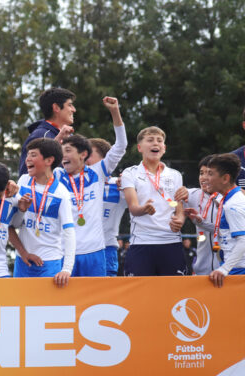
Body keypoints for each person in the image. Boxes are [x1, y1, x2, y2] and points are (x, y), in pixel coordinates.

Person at [54, 97, 127, 277]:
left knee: (96, 302)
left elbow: (121, 145)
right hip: (64, 252)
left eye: (68, 151)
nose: (63, 156)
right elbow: (43, 156)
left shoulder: (98, 172)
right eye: (61, 152)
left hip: (94, 251)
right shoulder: (56, 175)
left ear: (83, 155)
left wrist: (115, 111)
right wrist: (58, 139)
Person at [121, 126, 187, 276]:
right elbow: (133, 207)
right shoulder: (130, 173)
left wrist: (180, 220)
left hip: (171, 242)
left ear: (164, 148)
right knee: (139, 295)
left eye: (159, 140)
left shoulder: (175, 175)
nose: (155, 143)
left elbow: (179, 208)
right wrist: (144, 209)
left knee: (174, 295)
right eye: (150, 140)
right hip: (142, 243)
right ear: (139, 147)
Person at [12, 138, 75, 287]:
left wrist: (67, 268)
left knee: (45, 309)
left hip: (49, 263)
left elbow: (69, 232)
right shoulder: (23, 181)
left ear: (49, 161)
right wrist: (21, 210)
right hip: (23, 261)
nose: (27, 159)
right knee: (19, 306)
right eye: (28, 155)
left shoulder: (62, 193)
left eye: (33, 155)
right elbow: (14, 224)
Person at [86, 138, 127, 277]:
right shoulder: (73, 183)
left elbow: (143, 202)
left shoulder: (119, 185)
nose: (82, 157)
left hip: (106, 248)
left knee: (104, 296)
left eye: (88, 154)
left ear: (106, 159)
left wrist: (133, 186)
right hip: (77, 249)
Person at [207, 153, 245, 286]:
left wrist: (224, 269)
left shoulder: (233, 205)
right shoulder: (231, 198)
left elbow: (243, 241)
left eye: (210, 174)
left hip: (238, 271)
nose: (206, 178)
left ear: (225, 178)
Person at [19, 87, 76, 175]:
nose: (74, 109)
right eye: (69, 105)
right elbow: (26, 176)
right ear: (56, 107)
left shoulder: (70, 137)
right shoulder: (39, 136)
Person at [182, 156, 220, 275]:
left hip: (227, 269)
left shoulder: (231, 199)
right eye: (201, 173)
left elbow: (227, 230)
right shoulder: (192, 195)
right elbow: (165, 199)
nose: (203, 177)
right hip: (202, 271)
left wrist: (201, 222)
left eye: (209, 173)